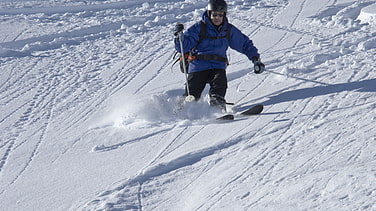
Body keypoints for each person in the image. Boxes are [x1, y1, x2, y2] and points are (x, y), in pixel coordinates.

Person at [173, 0, 265, 111]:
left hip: (218, 65)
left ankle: (217, 110)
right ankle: (182, 111)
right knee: (193, 92)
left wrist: (255, 59)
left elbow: (244, 44)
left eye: (220, 15)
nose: (217, 18)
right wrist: (179, 37)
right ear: (209, 14)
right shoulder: (199, 28)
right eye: (214, 14)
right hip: (198, 65)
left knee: (220, 85)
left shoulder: (228, 30)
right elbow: (183, 47)